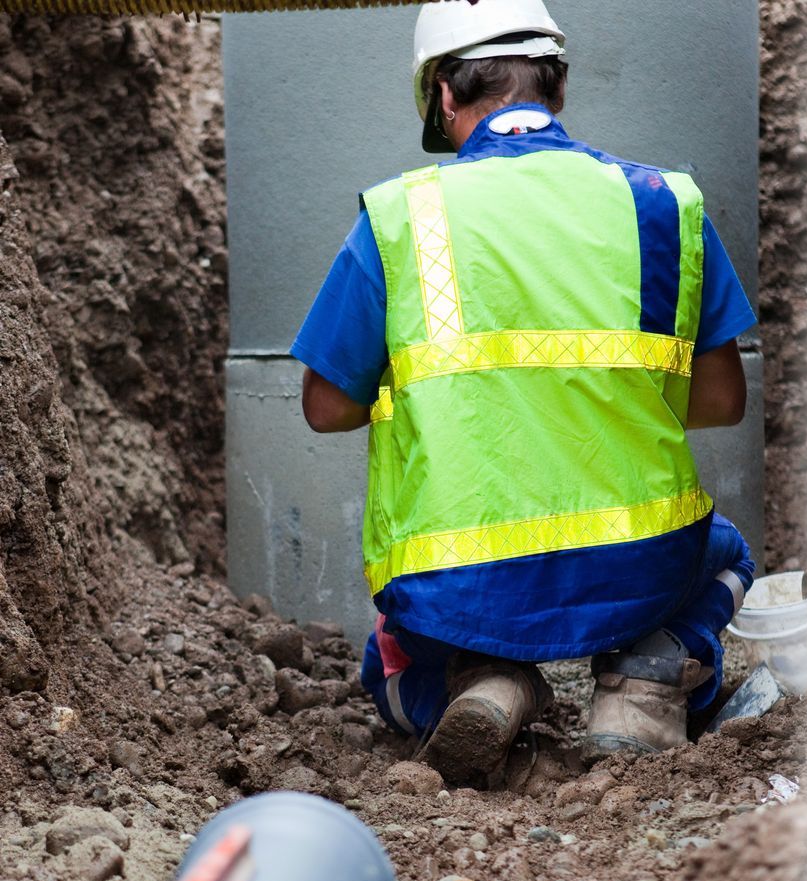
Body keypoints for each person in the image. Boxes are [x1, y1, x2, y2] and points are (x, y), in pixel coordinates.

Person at [292, 0, 757, 780]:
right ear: (559, 87)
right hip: (640, 567)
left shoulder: (402, 216)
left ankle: (479, 679)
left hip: (457, 585)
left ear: (444, 95)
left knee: (394, 655)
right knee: (727, 557)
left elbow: (326, 406)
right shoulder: (663, 203)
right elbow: (722, 401)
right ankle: (647, 675)